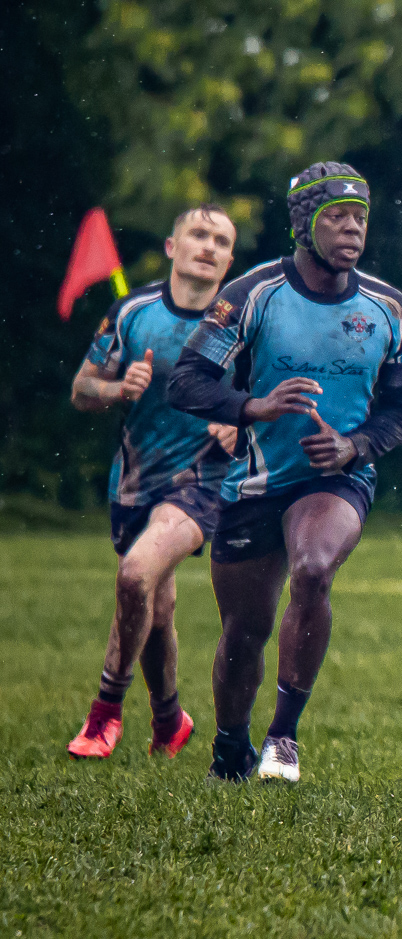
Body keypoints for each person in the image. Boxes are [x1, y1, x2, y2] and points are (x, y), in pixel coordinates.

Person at [168, 161, 402, 784]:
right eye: (335, 216)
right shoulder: (251, 296)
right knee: (243, 633)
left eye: (360, 218)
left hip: (333, 480)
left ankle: (283, 738)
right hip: (254, 482)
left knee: (313, 569)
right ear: (304, 225)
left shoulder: (390, 308)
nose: (351, 230)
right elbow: (185, 380)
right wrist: (250, 406)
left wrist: (355, 447)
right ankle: (230, 747)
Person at [64, 204, 239, 760]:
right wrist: (120, 389)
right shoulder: (134, 311)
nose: (208, 246)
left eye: (220, 240)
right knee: (154, 609)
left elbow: (273, 401)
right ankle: (169, 721)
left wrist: (242, 422)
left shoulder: (241, 324)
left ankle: (103, 715)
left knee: (135, 574)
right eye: (198, 234)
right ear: (172, 247)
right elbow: (82, 389)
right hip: (134, 483)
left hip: (202, 483)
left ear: (230, 260)